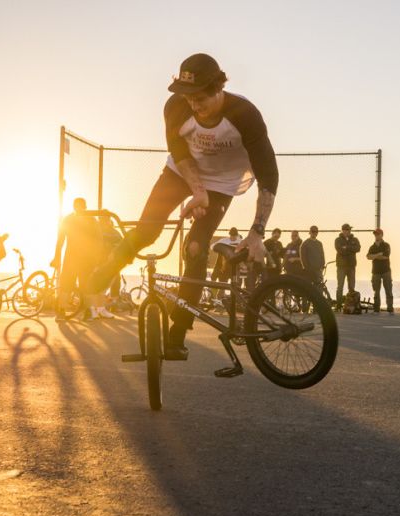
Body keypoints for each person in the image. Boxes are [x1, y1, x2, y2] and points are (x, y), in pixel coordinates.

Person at [90, 53, 278, 362]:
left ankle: (177, 333)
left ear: (219, 87)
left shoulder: (245, 114)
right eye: (188, 95)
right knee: (147, 231)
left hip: (223, 183)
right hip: (181, 172)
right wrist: (196, 190)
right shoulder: (175, 106)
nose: (194, 103)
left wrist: (257, 231)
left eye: (201, 96)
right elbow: (178, 151)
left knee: (195, 248)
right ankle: (111, 264)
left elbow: (268, 174)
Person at [52, 197, 113, 321]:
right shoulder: (68, 219)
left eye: (81, 206)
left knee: (85, 286)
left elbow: (99, 240)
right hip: (72, 259)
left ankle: (87, 312)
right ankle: (61, 312)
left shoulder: (91, 220)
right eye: (77, 206)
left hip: (86, 260)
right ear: (74, 207)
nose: (79, 208)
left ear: (85, 206)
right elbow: (60, 240)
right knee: (66, 285)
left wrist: (97, 259)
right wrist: (56, 257)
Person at [334, 223, 361, 309]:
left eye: (349, 230)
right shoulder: (338, 240)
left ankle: (351, 306)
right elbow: (340, 250)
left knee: (351, 287)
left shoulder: (355, 239)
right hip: (341, 267)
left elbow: (358, 248)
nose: (348, 231)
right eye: (346, 230)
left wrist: (346, 247)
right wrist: (350, 249)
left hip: (351, 266)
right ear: (343, 230)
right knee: (340, 286)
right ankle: (338, 306)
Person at [210, 227, 243, 297]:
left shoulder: (240, 241)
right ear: (229, 235)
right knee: (223, 286)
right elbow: (212, 246)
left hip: (235, 268)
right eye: (231, 235)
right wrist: (222, 249)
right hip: (224, 268)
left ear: (237, 235)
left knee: (235, 286)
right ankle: (219, 299)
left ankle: (233, 300)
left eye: (234, 235)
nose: (233, 237)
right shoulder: (224, 241)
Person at [366, 228, 393, 313]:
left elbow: (385, 256)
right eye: (375, 234)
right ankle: (376, 308)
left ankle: (390, 308)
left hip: (386, 271)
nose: (376, 236)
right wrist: (378, 254)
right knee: (376, 291)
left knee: (388, 290)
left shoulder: (386, 245)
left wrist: (374, 256)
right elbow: (368, 257)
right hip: (375, 271)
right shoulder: (372, 247)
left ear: (382, 235)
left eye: (378, 234)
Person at [99, 215, 123, 307]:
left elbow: (121, 244)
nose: (104, 221)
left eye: (106, 219)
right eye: (102, 219)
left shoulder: (115, 232)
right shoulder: (97, 230)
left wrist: (112, 247)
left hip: (113, 260)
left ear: (109, 220)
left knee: (116, 279)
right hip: (100, 260)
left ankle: (114, 301)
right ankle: (98, 303)